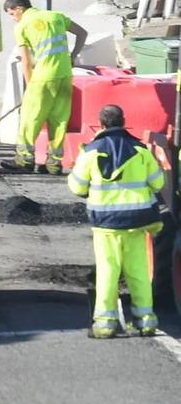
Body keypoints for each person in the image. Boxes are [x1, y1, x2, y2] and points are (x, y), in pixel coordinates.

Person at [67, 103, 167, 339]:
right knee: (139, 272)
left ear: (101, 124)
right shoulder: (141, 151)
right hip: (137, 222)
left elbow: (77, 186)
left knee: (108, 271)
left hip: (106, 225)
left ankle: (105, 324)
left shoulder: (91, 152)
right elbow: (158, 183)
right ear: (124, 121)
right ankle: (146, 321)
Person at [6, 0, 86, 173]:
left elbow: (26, 62)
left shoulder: (22, 26)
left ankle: (24, 160)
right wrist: (72, 56)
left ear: (19, 8)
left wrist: (28, 88)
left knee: (30, 118)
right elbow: (82, 33)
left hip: (42, 77)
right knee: (59, 120)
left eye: (11, 14)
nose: (12, 19)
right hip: (65, 75)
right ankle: (54, 163)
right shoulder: (55, 16)